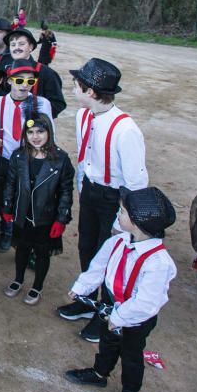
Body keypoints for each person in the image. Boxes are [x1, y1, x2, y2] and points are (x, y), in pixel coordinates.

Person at [64, 187, 177, 392]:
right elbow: (97, 268)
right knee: (107, 343)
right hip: (112, 302)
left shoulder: (158, 263)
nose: (119, 214)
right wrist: (80, 288)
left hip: (135, 318)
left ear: (136, 223)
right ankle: (99, 372)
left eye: (123, 212)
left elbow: (146, 303)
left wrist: (118, 318)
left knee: (132, 353)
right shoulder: (117, 241)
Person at [57, 58, 148, 344]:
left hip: (114, 199)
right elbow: (85, 158)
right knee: (87, 246)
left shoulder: (126, 130)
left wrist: (125, 222)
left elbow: (136, 183)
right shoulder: (84, 116)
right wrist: (82, 188)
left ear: (91, 92)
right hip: (91, 192)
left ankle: (105, 313)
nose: (73, 90)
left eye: (76, 86)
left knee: (108, 256)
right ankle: (87, 300)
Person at [0, 59, 54, 256]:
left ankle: (18, 241)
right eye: (19, 80)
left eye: (30, 81)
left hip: (29, 161)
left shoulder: (41, 104)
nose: (24, 85)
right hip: (2, 160)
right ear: (10, 81)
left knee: (26, 205)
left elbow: (49, 135)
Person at [1, 114, 73, 305]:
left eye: (40, 131)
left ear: (49, 132)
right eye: (30, 132)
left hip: (45, 218)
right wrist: (7, 207)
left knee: (42, 253)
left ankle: (37, 286)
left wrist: (61, 218)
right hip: (22, 214)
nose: (35, 136)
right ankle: (18, 280)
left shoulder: (61, 159)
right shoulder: (19, 156)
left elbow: (66, 191)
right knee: (21, 250)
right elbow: (10, 183)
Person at [5, 27, 66, 117]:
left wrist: (34, 115)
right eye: (13, 45)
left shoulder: (47, 73)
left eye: (21, 44)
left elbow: (58, 104)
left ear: (31, 47)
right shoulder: (6, 71)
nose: (16, 48)